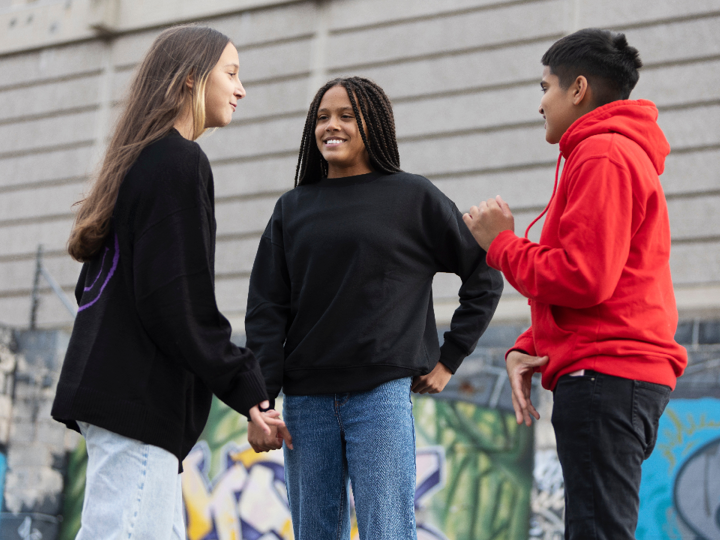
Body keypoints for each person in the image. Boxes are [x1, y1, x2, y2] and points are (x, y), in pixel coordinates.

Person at [51, 25, 286, 540]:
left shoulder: (136, 162)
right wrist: (250, 390)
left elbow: (108, 291)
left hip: (123, 402)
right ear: (189, 80)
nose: (241, 89)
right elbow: (178, 302)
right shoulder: (178, 162)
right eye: (231, 73)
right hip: (138, 404)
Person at [244, 76, 503, 540]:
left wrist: (449, 359)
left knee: (387, 532)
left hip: (379, 396)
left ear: (374, 125)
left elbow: (484, 274)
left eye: (346, 116)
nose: (332, 126)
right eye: (322, 117)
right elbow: (266, 310)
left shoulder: (413, 197)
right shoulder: (292, 208)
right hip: (306, 403)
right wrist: (263, 400)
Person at [462, 29, 688, 539]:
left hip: (606, 375)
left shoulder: (603, 154)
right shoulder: (611, 152)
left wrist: (500, 244)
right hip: (615, 372)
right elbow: (603, 277)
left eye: (545, 87)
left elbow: (585, 277)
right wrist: (530, 345)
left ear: (578, 89)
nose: (540, 104)